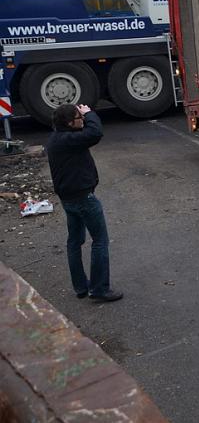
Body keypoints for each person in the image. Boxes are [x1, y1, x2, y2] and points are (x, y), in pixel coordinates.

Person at [45, 104, 122, 302]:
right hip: (83, 198)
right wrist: (90, 114)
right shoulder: (69, 140)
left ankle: (80, 286)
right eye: (80, 118)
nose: (83, 120)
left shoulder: (55, 139)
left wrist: (84, 116)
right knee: (100, 241)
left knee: (74, 242)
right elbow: (95, 133)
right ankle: (99, 289)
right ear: (70, 123)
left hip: (68, 199)